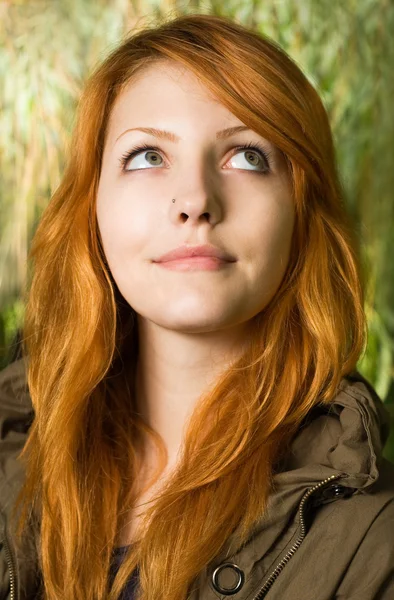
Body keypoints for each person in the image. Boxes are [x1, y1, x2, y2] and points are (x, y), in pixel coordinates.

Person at [0, 12, 393, 600]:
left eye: (248, 156)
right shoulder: (11, 454)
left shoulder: (374, 544)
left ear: (301, 213)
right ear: (92, 208)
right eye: (147, 156)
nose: (196, 201)